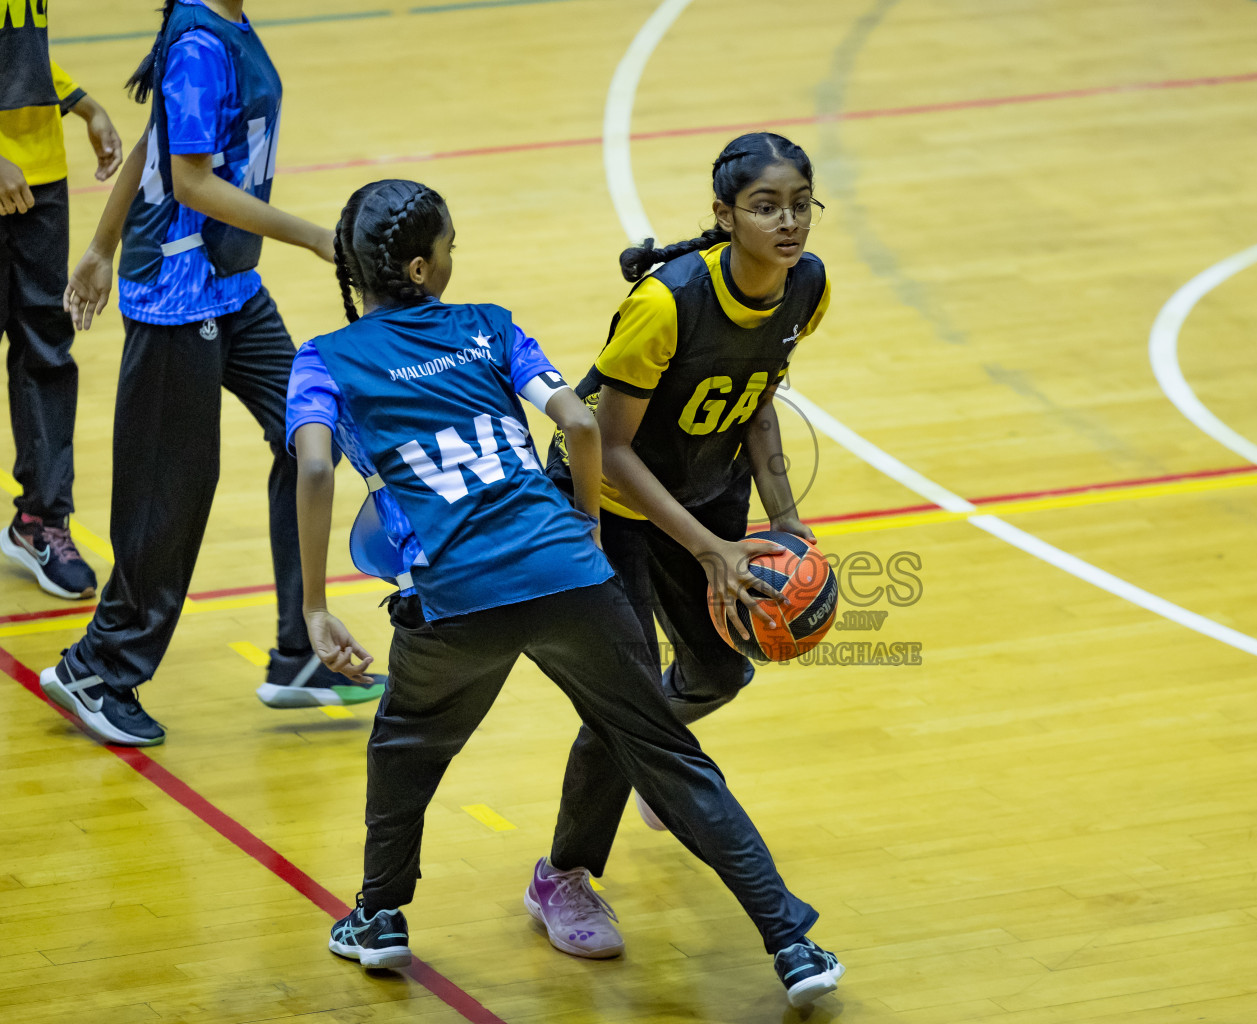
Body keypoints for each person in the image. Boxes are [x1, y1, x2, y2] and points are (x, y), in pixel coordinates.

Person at [293, 178, 844, 1009]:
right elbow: (581, 425)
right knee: (666, 755)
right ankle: (792, 942)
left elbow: (311, 468)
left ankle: (380, 915)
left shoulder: (325, 359)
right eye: (449, 249)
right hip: (569, 574)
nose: (453, 261)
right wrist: (584, 528)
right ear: (422, 266)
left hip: (456, 596)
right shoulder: (488, 325)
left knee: (406, 749)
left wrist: (312, 606)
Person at [38, 0, 385, 750]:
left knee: (309, 435)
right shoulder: (200, 39)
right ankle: (99, 667)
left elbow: (151, 143)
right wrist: (317, 238)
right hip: (176, 295)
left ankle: (301, 651)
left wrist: (98, 245)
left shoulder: (222, 23)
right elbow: (189, 182)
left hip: (231, 289)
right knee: (172, 490)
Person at [545, 132, 829, 831]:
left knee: (719, 673)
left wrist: (784, 517)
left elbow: (757, 397)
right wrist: (709, 549)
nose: (787, 222)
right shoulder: (667, 303)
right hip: (605, 498)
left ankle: (652, 756)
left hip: (704, 485)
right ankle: (566, 875)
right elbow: (610, 448)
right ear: (725, 215)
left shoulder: (808, 287)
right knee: (629, 696)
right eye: (766, 208)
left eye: (800, 205)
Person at [0, 0, 124, 599]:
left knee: (45, 350)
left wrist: (84, 106)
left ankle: (40, 521)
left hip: (38, 176)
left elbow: (20, 52)